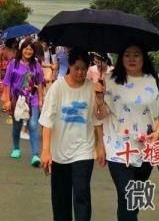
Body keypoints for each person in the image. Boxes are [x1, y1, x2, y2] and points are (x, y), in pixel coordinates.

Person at [94, 43, 159, 221]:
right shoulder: (109, 80)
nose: (131, 59)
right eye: (127, 54)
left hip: (147, 150)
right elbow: (100, 116)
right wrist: (99, 100)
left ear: (144, 57)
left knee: (132, 200)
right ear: (121, 58)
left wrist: (158, 133)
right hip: (118, 149)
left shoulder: (156, 80)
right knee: (127, 195)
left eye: (136, 55)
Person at [39, 48, 105, 221]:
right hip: (59, 151)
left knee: (82, 193)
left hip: (83, 149)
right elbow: (47, 121)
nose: (80, 72)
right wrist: (46, 151)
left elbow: (98, 120)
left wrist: (100, 146)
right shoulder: (57, 88)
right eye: (76, 68)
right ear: (69, 65)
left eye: (84, 69)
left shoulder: (92, 88)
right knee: (61, 198)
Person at [2, 38, 44, 167]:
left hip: (33, 99)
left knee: (32, 125)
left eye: (31, 49)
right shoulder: (13, 64)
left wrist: (41, 100)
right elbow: (7, 83)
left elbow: (40, 83)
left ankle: (35, 155)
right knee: (17, 125)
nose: (28, 51)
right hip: (17, 100)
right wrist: (7, 100)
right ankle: (16, 148)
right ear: (21, 49)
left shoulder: (36, 65)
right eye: (26, 48)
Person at [0, 39, 17, 111]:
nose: (15, 44)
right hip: (4, 70)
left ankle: (9, 102)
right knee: (4, 87)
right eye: (14, 42)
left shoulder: (15, 51)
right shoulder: (3, 49)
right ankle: (5, 104)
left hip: (14, 71)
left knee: (11, 88)